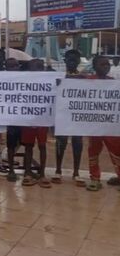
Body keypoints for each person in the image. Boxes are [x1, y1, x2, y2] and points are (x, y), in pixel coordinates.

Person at [85, 55, 120, 191]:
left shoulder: (114, 83)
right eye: (102, 64)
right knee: (93, 151)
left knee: (117, 151)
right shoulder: (87, 82)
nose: (106, 66)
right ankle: (95, 178)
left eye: (107, 64)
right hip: (94, 126)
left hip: (111, 126)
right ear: (94, 67)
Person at [52, 49, 85, 186]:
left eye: (74, 60)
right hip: (62, 114)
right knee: (61, 142)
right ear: (65, 61)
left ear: (78, 61)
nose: (72, 62)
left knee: (77, 142)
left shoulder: (84, 78)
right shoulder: (58, 77)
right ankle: (58, 170)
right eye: (69, 59)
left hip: (77, 115)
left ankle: (76, 172)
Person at [20, 59, 50, 188]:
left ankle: (42, 173)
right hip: (28, 118)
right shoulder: (24, 82)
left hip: (42, 118)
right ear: (29, 69)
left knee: (42, 146)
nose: (37, 70)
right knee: (28, 146)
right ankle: (27, 173)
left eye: (40, 67)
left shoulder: (49, 81)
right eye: (34, 67)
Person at [3, 57, 22, 182]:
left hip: (24, 116)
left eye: (16, 66)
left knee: (23, 142)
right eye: (11, 66)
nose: (14, 68)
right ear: (6, 68)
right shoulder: (0, 80)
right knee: (11, 144)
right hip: (10, 117)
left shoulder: (25, 79)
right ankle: (10, 169)